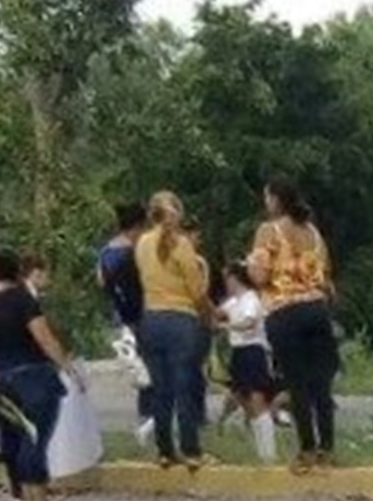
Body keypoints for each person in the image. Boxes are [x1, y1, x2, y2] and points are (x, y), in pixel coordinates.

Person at [0, 247, 80, 501]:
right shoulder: (22, 298)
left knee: (16, 436)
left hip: (3, 373)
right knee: (36, 437)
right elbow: (43, 337)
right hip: (32, 373)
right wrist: (66, 365)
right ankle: (39, 497)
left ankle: (25, 494)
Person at [249, 177, 337, 474]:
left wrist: (251, 266)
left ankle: (307, 449)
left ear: (275, 200)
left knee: (297, 384)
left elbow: (260, 276)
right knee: (321, 383)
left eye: (266, 197)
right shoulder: (313, 232)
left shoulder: (268, 231)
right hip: (316, 309)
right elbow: (325, 274)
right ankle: (328, 447)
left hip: (284, 312)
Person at [136, 190, 215, 472]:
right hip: (180, 321)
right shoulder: (181, 245)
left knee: (161, 390)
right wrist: (210, 315)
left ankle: (165, 451)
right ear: (177, 213)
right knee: (185, 387)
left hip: (151, 319)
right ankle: (191, 450)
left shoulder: (143, 243)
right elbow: (196, 291)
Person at [97, 203, 152, 442]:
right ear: (138, 226)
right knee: (152, 369)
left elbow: (101, 282)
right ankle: (151, 420)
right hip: (142, 315)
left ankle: (145, 419)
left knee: (140, 371)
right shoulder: (137, 251)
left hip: (119, 319)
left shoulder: (105, 252)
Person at [216, 264, 278, 463]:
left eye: (227, 278)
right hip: (238, 352)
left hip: (253, 351)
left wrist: (226, 326)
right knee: (244, 401)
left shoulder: (251, 298)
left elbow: (249, 323)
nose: (225, 283)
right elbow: (216, 313)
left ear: (235, 278)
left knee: (257, 400)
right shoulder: (233, 302)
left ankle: (269, 453)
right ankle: (261, 450)